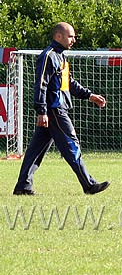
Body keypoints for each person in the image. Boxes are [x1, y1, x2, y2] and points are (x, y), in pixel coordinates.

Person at [13, 22, 110, 196]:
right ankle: (89, 184)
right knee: (71, 144)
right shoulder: (48, 56)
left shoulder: (61, 57)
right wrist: (42, 111)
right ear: (59, 36)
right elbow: (41, 85)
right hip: (55, 111)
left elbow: (68, 83)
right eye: (71, 36)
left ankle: (23, 186)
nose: (74, 40)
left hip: (55, 111)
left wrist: (89, 96)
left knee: (36, 150)